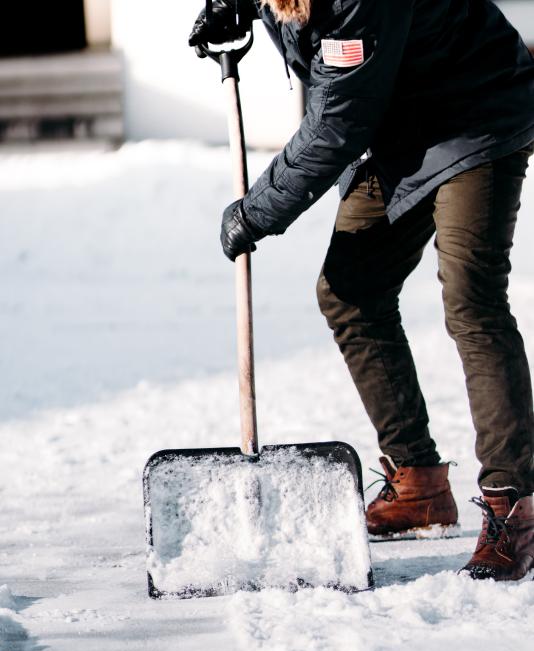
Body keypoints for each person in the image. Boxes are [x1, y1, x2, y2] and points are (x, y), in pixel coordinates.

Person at [189, 0, 534, 581]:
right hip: (395, 121)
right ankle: (419, 482)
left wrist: (258, 210)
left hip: (475, 115)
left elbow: (338, 122)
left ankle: (514, 505)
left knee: (471, 300)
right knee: (350, 291)